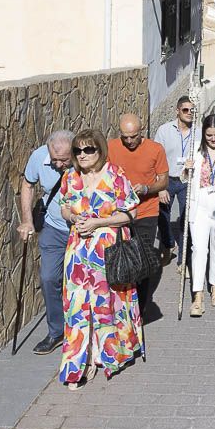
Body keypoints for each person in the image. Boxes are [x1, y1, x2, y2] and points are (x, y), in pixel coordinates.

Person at [57, 129, 142, 388]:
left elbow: (131, 214)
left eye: (88, 150)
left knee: (106, 304)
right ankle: (77, 364)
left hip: (107, 251)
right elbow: (64, 206)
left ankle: (102, 356)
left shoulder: (115, 175)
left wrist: (98, 223)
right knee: (77, 307)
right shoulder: (70, 177)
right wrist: (73, 218)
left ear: (100, 150)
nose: (82, 155)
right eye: (78, 151)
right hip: (78, 253)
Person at [107, 113, 169, 314]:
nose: (129, 141)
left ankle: (139, 310)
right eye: (125, 137)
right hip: (119, 213)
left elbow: (164, 181)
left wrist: (147, 188)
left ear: (141, 132)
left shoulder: (155, 149)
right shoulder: (111, 147)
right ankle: (119, 305)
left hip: (146, 212)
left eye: (133, 136)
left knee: (141, 261)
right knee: (118, 259)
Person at [18, 130, 74, 354]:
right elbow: (27, 185)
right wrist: (27, 221)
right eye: (55, 159)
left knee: (78, 281)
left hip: (81, 231)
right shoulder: (39, 157)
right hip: (54, 227)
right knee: (49, 278)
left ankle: (84, 331)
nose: (59, 164)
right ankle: (56, 331)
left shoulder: (85, 157)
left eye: (64, 160)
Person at [185, 115, 215, 317]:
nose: (213, 139)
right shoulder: (196, 150)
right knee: (198, 249)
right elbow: (186, 178)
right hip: (200, 205)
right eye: (209, 135)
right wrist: (187, 169)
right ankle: (197, 294)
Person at [154, 96, 197, 266]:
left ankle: (183, 259)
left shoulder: (198, 131)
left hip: (188, 180)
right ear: (178, 111)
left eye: (192, 110)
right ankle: (168, 245)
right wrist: (160, 186)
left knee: (186, 218)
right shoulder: (164, 131)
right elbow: (156, 159)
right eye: (185, 110)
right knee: (162, 216)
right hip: (168, 179)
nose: (189, 113)